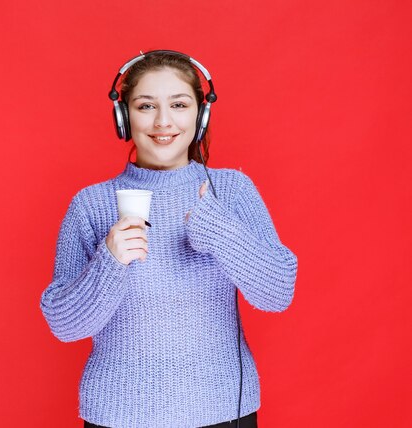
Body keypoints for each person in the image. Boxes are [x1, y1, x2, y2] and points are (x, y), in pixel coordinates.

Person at [39, 50, 298, 428]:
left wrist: (222, 233)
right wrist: (109, 261)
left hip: (223, 412)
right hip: (118, 415)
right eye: (146, 106)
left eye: (178, 104)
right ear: (124, 116)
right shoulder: (90, 205)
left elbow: (278, 293)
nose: (163, 121)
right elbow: (64, 326)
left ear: (201, 114)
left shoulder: (231, 190)